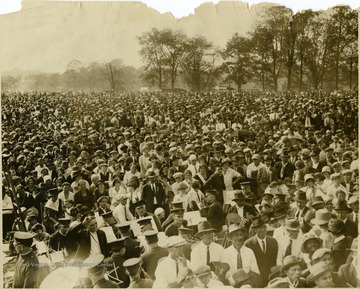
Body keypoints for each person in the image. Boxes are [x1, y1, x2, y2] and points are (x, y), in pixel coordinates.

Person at [244, 215, 279, 287]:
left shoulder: (273, 241)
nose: (263, 229)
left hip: (272, 278)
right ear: (255, 230)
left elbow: (275, 259)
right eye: (260, 227)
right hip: (258, 280)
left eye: (264, 227)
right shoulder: (248, 244)